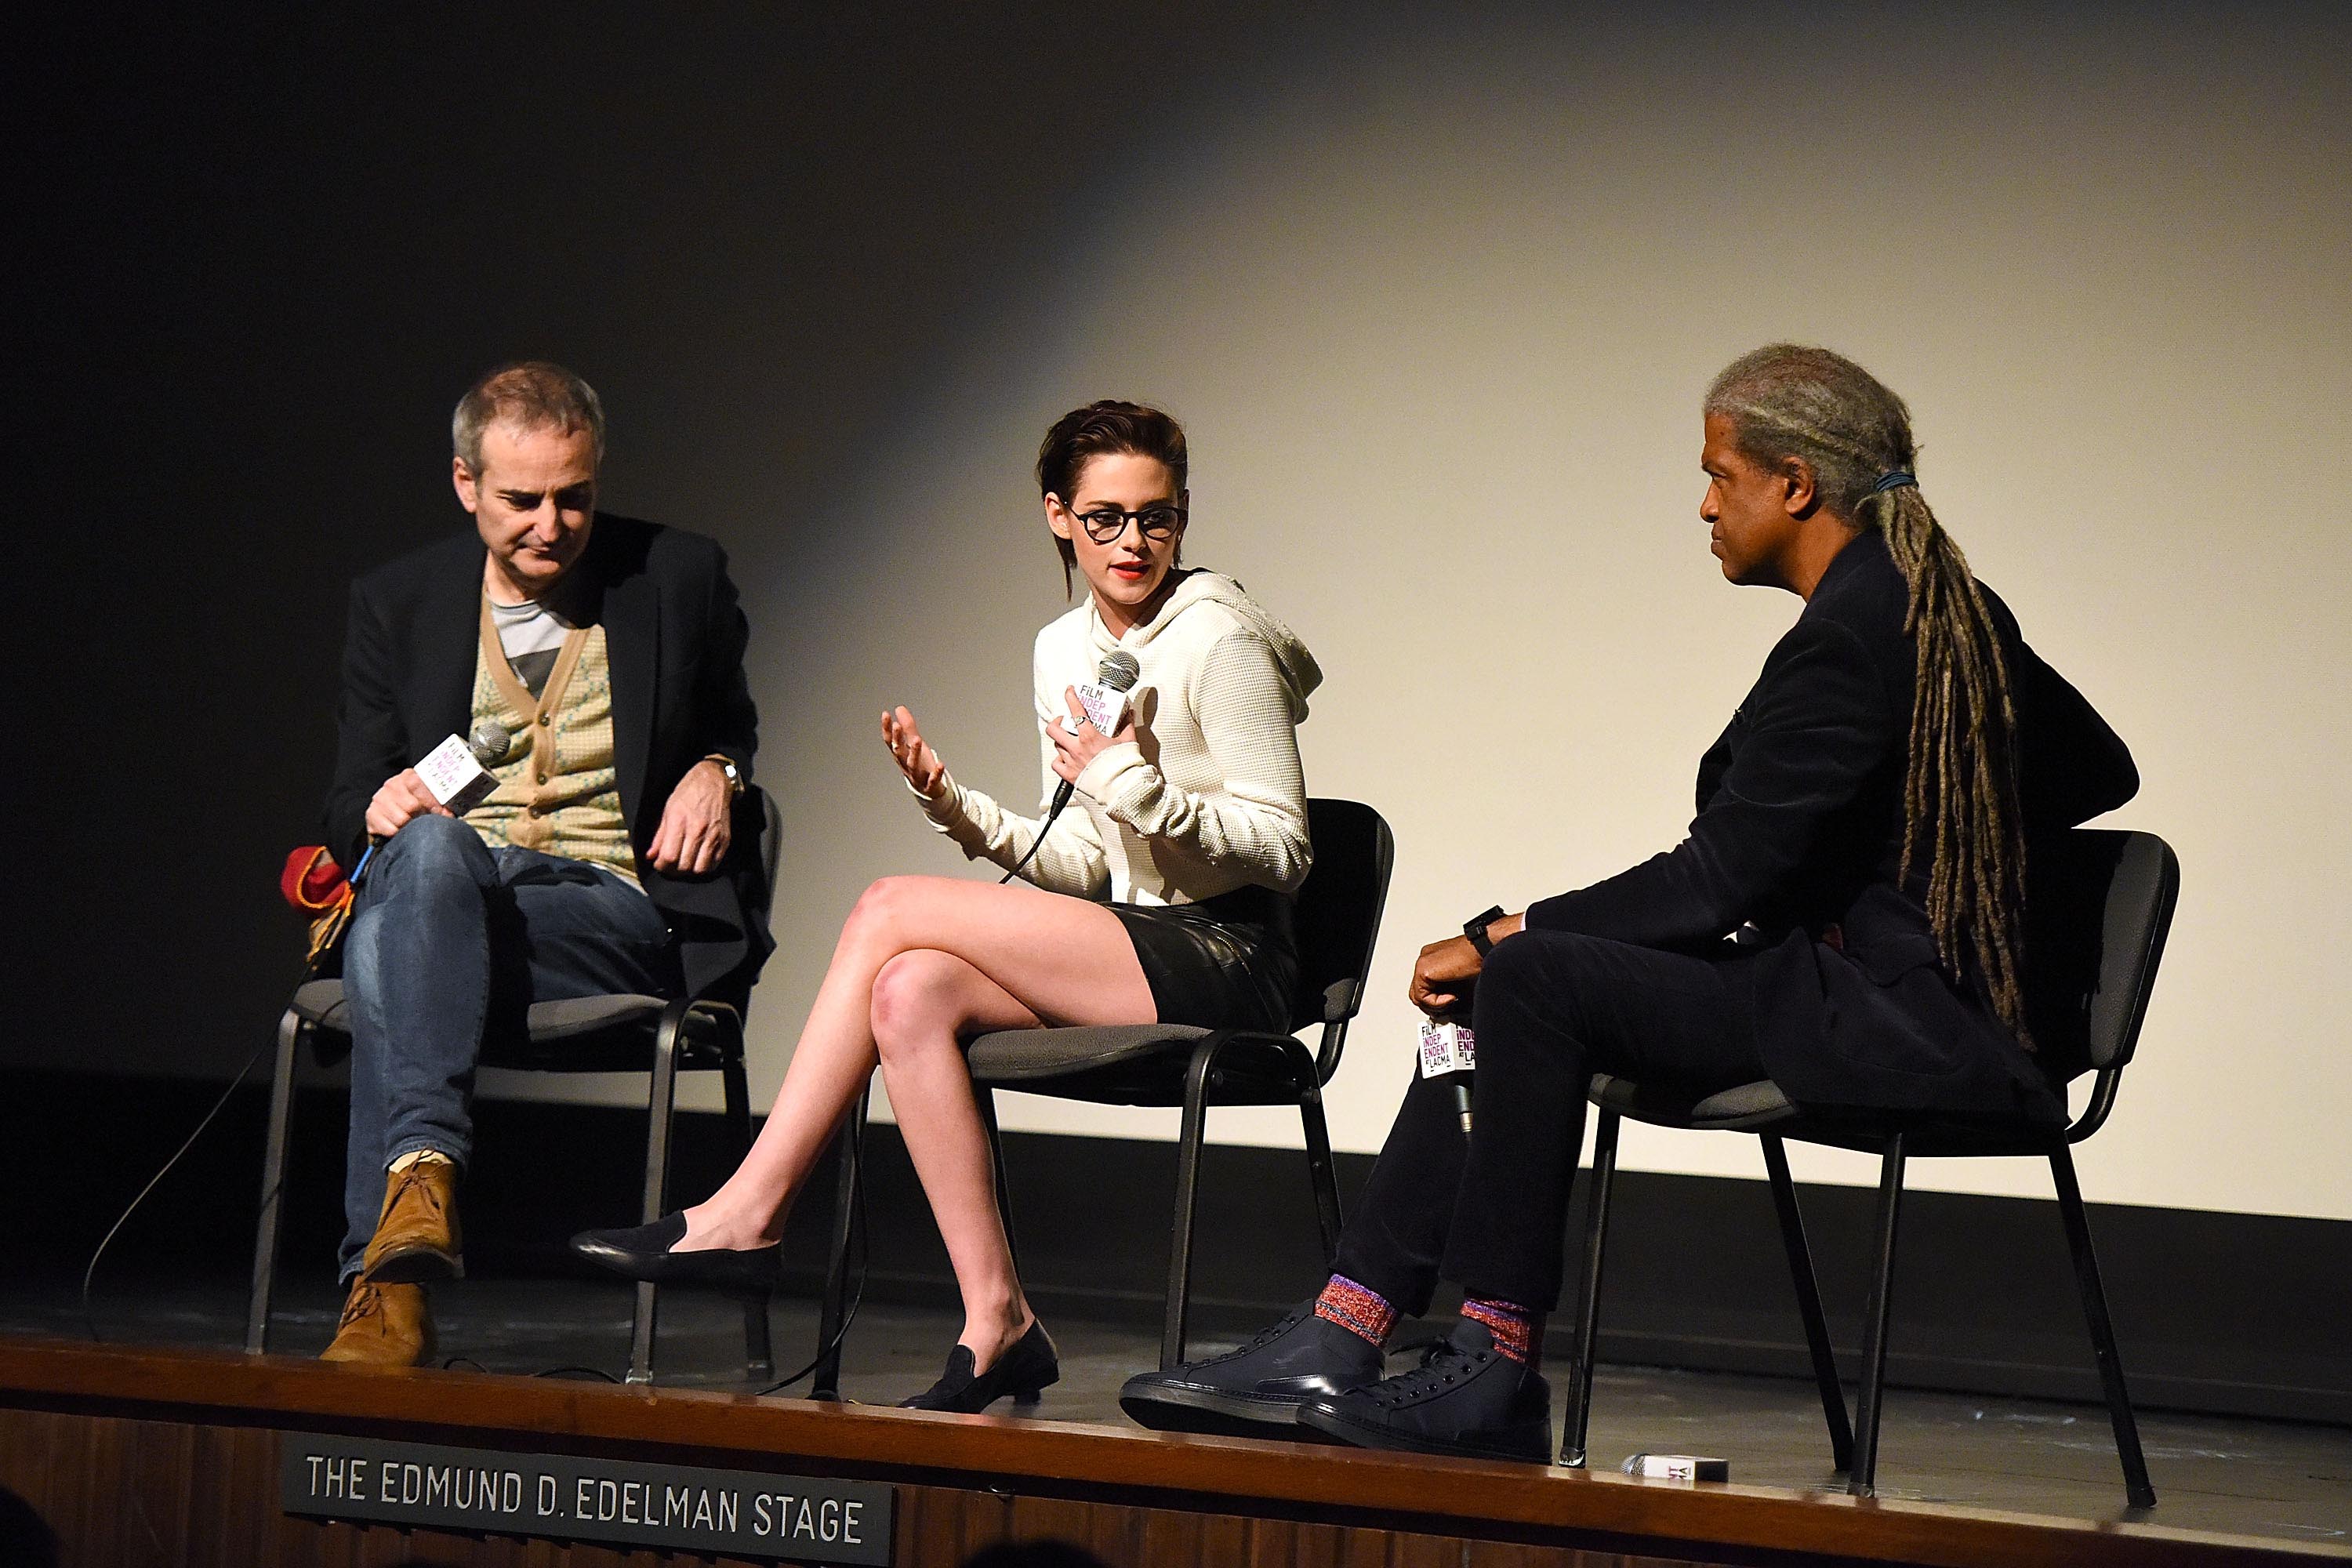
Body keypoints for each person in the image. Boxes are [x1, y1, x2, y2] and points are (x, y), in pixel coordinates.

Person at [1120, 345, 2138, 1463]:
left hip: (1906, 1021)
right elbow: (2099, 772)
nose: (1704, 505)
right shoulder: (1933, 608)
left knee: (1533, 977)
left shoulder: (1855, 636)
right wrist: (1902, 833)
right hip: (1863, 994)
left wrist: (1502, 932)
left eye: (1720, 476)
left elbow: (1716, 881)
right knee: (1490, 1000)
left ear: (1794, 485)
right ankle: (1344, 1328)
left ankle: (1494, 1366)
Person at [572, 400, 1321, 1410]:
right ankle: (998, 1316)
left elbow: (1286, 850)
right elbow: (1090, 866)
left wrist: (1133, 785)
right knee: (912, 989)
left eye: (1157, 517)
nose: (1132, 541)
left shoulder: (1221, 641)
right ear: (1059, 516)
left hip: (1233, 955)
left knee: (886, 906)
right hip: (1141, 938)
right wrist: (961, 811)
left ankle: (748, 1209)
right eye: (1105, 518)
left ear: (1184, 515)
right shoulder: (1063, 648)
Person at [317, 361, 769, 1367]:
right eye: (522, 500)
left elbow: (735, 722)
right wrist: (380, 806)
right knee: (427, 856)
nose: (551, 525)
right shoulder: (399, 602)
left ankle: (384, 1278)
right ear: (465, 483)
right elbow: (351, 798)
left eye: (575, 497)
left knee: (396, 946)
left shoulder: (677, 574)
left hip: (609, 910)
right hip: (454, 899)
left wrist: (717, 768)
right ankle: (420, 1185)